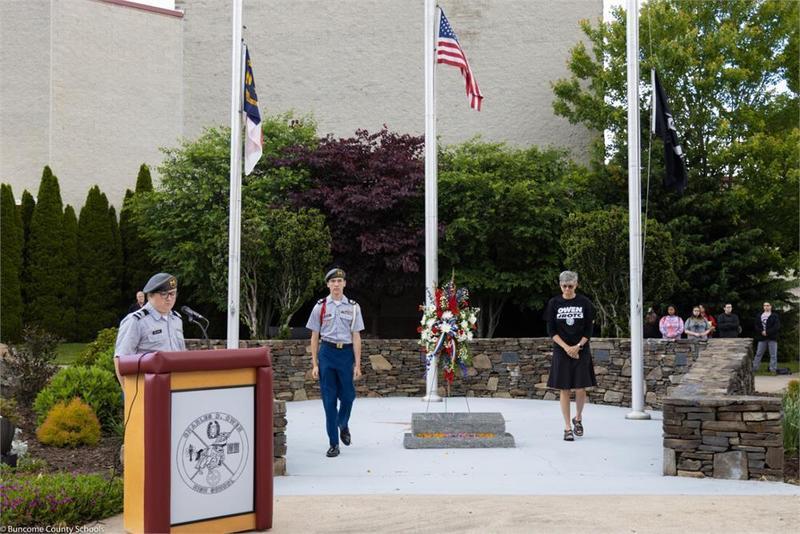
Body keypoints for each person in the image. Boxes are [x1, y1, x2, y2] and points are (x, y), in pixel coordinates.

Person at [306, 268, 364, 458]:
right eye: (333, 281)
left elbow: (356, 337)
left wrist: (358, 364)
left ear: (345, 284)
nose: (336, 284)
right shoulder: (320, 307)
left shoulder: (354, 307)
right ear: (328, 284)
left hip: (346, 354)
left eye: (340, 281)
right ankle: (333, 443)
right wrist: (315, 364)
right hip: (327, 354)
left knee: (348, 396)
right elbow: (314, 337)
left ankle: (343, 423)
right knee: (329, 401)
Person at [545, 270, 596, 442]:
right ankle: (567, 427)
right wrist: (567, 348)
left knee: (581, 388)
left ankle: (578, 418)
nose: (567, 289)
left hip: (581, 348)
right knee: (564, 388)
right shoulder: (554, 303)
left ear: (576, 285)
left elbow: (589, 329)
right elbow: (551, 330)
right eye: (564, 286)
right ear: (560, 285)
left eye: (570, 286)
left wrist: (578, 346)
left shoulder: (585, 302)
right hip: (562, 349)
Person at [114, 273, 186, 387]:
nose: (169, 298)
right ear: (150, 295)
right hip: (147, 389)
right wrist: (130, 394)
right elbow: (121, 361)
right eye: (164, 294)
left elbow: (182, 356)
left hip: (176, 387)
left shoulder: (176, 319)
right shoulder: (136, 321)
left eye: (173, 294)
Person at [752, 302, 780, 374]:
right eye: (764, 305)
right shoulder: (759, 315)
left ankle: (772, 369)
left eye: (768, 305)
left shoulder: (774, 316)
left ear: (771, 307)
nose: (766, 307)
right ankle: (754, 368)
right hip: (762, 338)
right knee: (758, 353)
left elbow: (776, 327)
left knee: (773, 354)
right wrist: (762, 331)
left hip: (772, 337)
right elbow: (756, 325)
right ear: (763, 307)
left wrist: (767, 332)